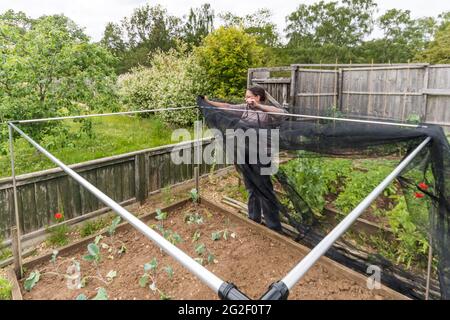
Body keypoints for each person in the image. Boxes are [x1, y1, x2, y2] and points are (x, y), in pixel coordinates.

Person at [204, 86, 286, 233]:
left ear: (257, 97)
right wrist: (208, 102)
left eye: (248, 96)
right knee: (251, 188)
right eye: (246, 96)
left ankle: (274, 227)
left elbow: (283, 114)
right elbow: (227, 106)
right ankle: (253, 219)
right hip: (245, 154)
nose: (245, 99)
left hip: (261, 156)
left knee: (265, 191)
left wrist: (259, 106)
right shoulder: (244, 108)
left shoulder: (266, 112)